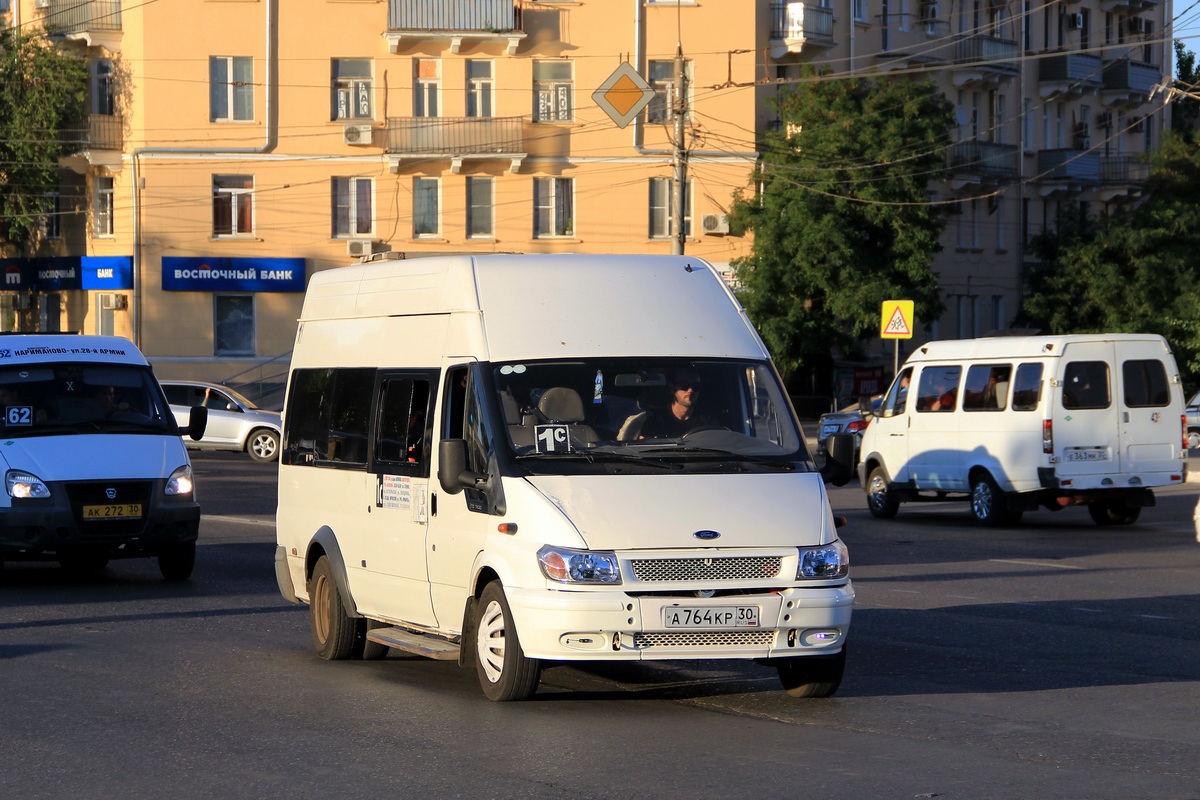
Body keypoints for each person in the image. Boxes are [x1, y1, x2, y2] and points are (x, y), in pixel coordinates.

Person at [638, 370, 712, 438]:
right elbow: (642, 448)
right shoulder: (656, 421)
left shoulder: (708, 422)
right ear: (672, 388)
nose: (690, 390)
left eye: (696, 386)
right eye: (684, 385)